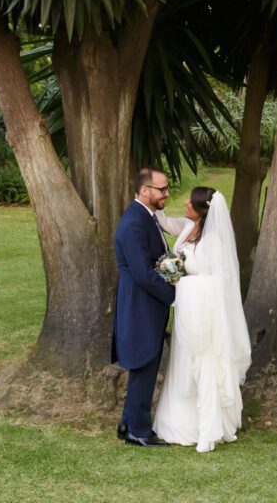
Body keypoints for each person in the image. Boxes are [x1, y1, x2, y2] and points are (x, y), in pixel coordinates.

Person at [153, 187, 252, 453]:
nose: (184, 202)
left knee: (205, 367)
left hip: (204, 315)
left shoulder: (214, 242)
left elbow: (218, 282)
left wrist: (182, 283)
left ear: (202, 209)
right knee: (183, 364)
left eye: (190, 201)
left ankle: (208, 431)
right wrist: (150, 197)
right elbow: (164, 222)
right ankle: (179, 421)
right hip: (186, 312)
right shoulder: (187, 227)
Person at [112, 167, 175, 447]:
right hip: (140, 305)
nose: (167, 193)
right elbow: (142, 273)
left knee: (145, 364)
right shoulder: (134, 223)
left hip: (146, 304)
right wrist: (173, 295)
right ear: (145, 191)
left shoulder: (145, 217)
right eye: (162, 189)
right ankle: (138, 430)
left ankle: (128, 423)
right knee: (144, 362)